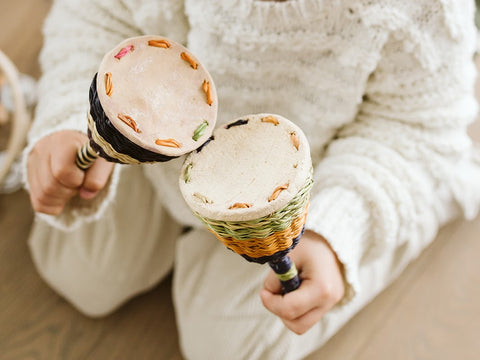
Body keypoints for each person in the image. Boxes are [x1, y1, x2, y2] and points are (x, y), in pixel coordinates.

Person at [23, 0, 480, 359]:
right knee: (77, 270)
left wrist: (338, 235)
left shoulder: (422, 9)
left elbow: (414, 125)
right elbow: (96, 13)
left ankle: (412, 214)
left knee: (223, 345)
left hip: (302, 186)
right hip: (154, 126)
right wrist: (68, 116)